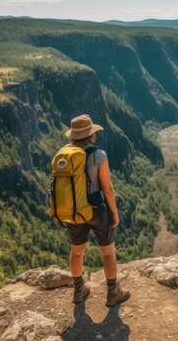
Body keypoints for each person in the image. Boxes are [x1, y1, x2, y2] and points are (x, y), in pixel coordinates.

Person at [63, 114, 130, 306]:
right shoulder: (99, 155)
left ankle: (78, 291)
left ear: (73, 136)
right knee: (108, 252)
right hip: (95, 209)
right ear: (90, 135)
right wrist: (114, 214)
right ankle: (112, 293)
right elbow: (107, 189)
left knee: (76, 252)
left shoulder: (63, 155)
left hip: (74, 211)